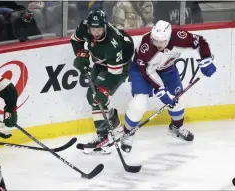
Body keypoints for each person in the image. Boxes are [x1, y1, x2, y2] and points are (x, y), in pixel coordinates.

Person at [120, 20, 216, 153]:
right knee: (139, 103)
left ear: (169, 37)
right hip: (142, 70)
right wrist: (160, 89)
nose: (158, 44)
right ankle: (127, 134)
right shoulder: (146, 46)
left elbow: (199, 41)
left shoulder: (180, 37)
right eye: (155, 40)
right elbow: (147, 71)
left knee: (178, 99)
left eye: (162, 41)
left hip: (167, 68)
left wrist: (206, 59)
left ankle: (175, 128)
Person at [70, 9, 134, 155]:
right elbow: (76, 40)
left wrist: (105, 90)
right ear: (89, 26)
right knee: (91, 96)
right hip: (101, 63)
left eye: (99, 29)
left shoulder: (112, 43)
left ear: (105, 26)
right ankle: (116, 128)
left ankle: (104, 137)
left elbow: (114, 74)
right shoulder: (84, 26)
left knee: (97, 97)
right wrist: (80, 53)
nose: (96, 32)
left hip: (119, 67)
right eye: (93, 29)